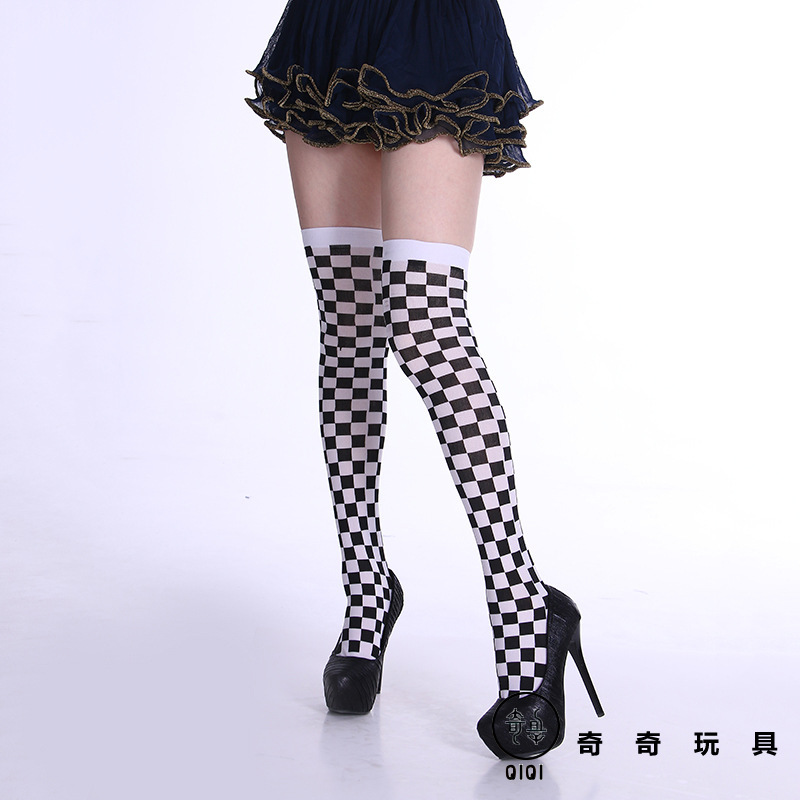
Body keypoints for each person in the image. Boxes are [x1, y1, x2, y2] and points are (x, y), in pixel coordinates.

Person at [245, 0, 603, 758]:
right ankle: (366, 587)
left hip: (434, 25)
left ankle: (524, 607)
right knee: (347, 321)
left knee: (424, 318)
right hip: (330, 23)